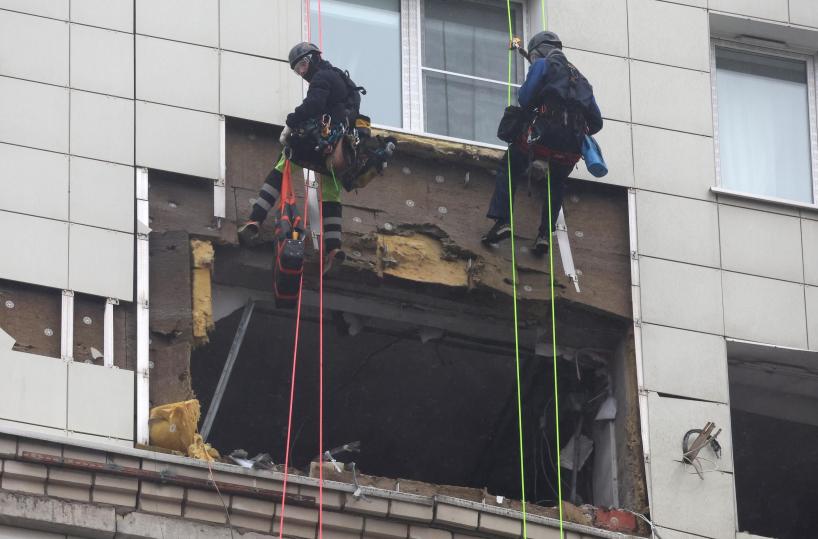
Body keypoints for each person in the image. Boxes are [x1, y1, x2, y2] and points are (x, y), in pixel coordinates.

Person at [482, 31, 603, 256]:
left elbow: (525, 98)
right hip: (570, 148)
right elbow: (596, 122)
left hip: (542, 136)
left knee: (510, 166)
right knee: (556, 183)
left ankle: (503, 221)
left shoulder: (543, 65)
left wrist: (543, 111)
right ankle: (544, 236)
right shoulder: (582, 80)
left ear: (538, 52)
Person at [238, 42, 359, 263]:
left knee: (281, 167)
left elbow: (313, 104)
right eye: (298, 70)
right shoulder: (341, 79)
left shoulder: (322, 78)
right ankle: (333, 248)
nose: (303, 73)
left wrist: (291, 121)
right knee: (331, 191)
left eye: (303, 65)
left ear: (313, 59)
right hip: (336, 149)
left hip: (317, 144)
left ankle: (255, 220)